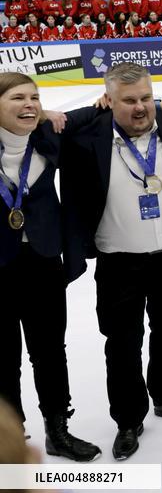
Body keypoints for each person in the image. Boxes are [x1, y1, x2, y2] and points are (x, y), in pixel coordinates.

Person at [0, 74, 101, 463]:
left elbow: (99, 111)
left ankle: (58, 430)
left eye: (35, 98)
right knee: (2, 357)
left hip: (41, 260)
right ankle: (11, 440)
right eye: (17, 98)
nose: (29, 104)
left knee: (49, 352)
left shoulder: (48, 136)